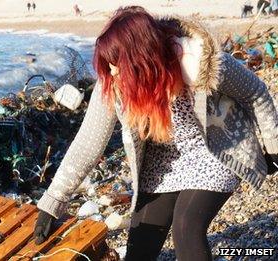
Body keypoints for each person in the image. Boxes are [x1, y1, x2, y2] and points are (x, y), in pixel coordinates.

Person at [33, 6, 278, 261]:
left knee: (186, 228)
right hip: (163, 161)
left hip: (214, 151)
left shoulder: (198, 62)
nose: (113, 72)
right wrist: (53, 202)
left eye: (119, 65)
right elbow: (88, 142)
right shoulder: (114, 82)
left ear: (143, 59)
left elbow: (256, 92)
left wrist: (273, 144)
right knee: (140, 245)